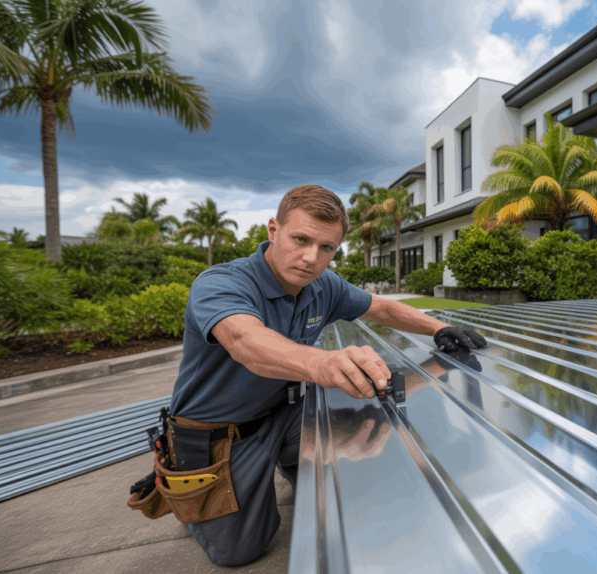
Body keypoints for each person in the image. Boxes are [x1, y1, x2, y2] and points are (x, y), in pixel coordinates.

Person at [160, 184, 487, 566]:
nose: (310, 258)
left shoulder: (322, 285)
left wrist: (437, 328)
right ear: (272, 230)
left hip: (282, 413)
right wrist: (322, 363)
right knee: (240, 551)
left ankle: (291, 463)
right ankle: (185, 489)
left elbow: (380, 308)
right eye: (300, 239)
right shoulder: (221, 283)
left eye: (326, 248)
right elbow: (244, 340)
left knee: (371, 416)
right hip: (217, 434)